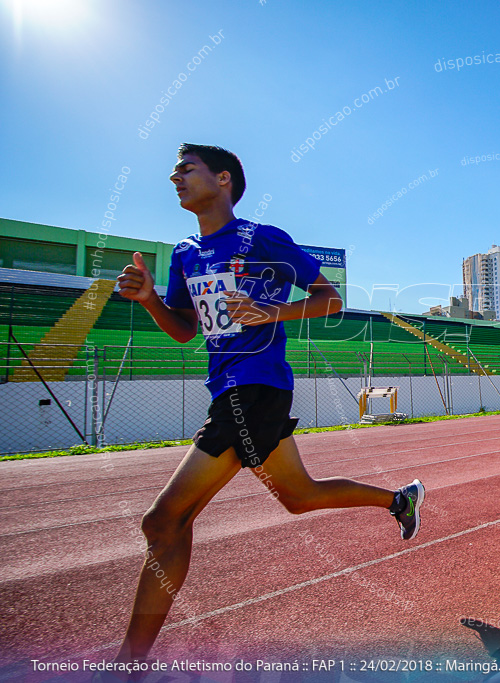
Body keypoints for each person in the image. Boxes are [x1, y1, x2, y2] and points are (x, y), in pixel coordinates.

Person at [113, 143, 424, 664]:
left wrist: (267, 310)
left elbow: (330, 299)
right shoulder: (184, 253)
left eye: (186, 169)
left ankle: (127, 666)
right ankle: (399, 499)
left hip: (254, 386)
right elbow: (186, 331)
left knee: (162, 522)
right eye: (175, 170)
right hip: (228, 387)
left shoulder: (261, 239)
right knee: (299, 496)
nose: (175, 176)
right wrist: (149, 301)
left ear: (225, 179)